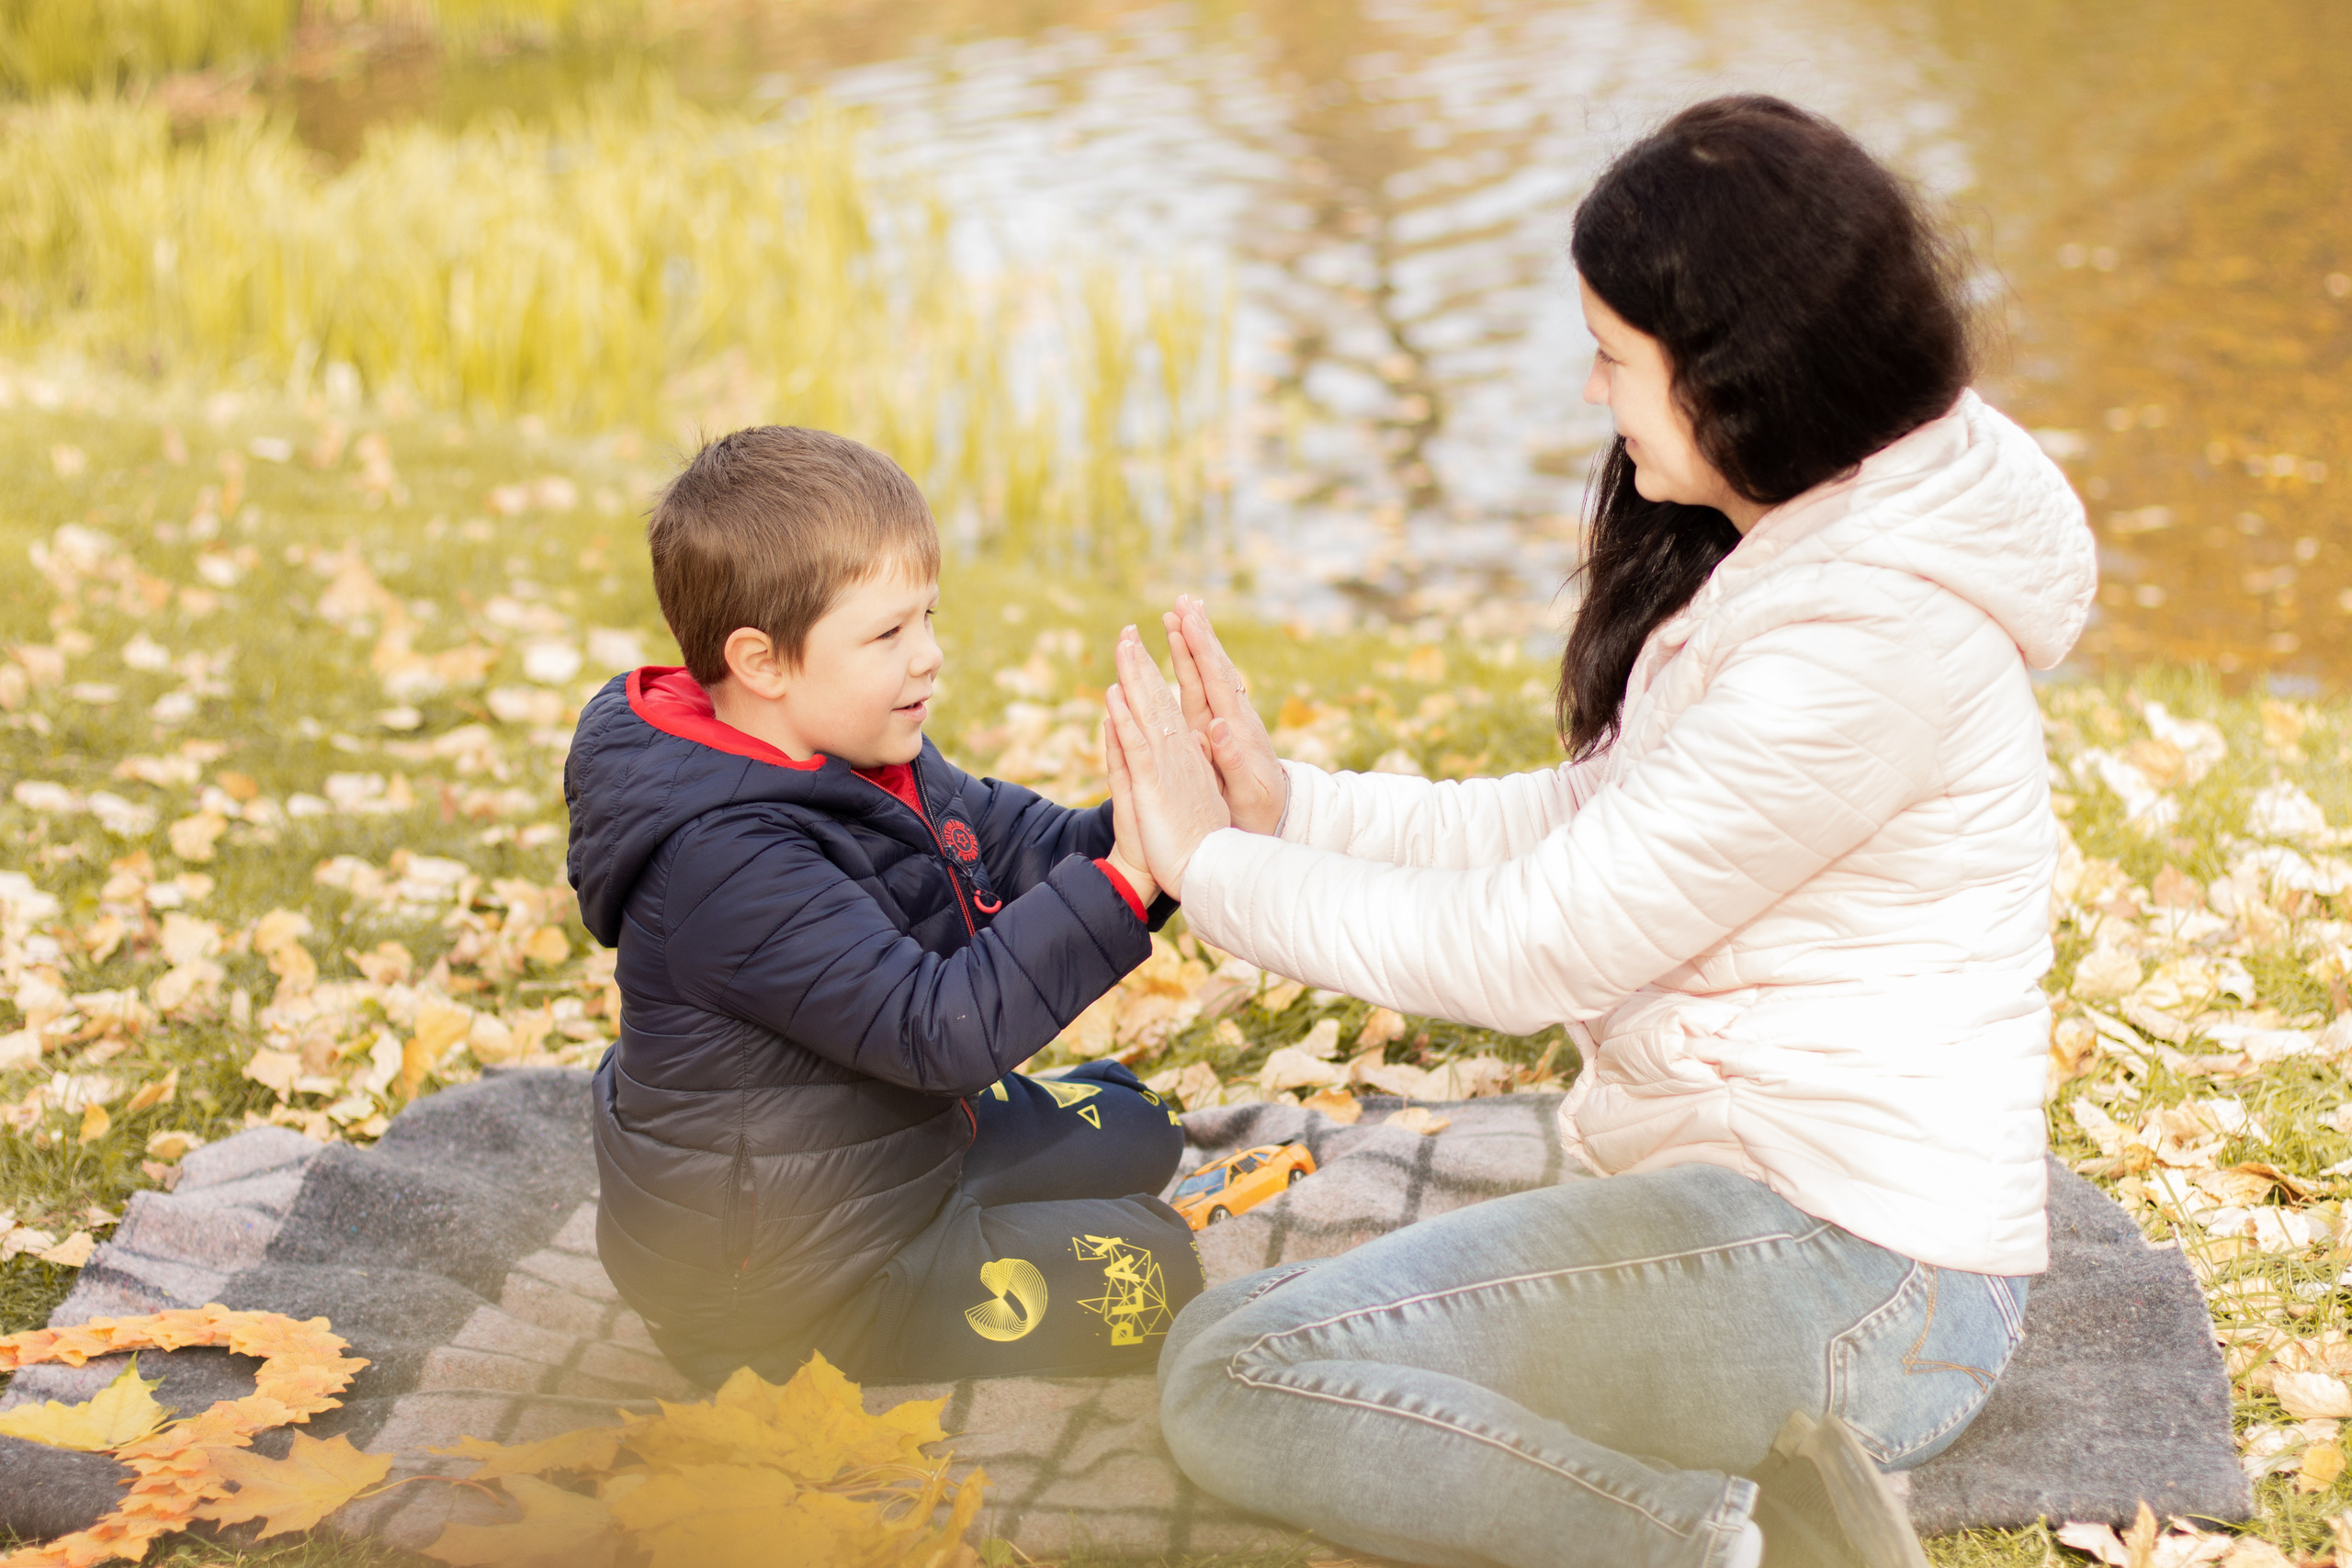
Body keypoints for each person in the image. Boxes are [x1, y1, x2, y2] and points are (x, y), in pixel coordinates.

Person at [1102, 96, 2096, 1568]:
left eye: (1615, 357)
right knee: (1238, 1334)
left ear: (1739, 375)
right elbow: (1585, 825)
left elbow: (1531, 940)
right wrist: (1290, 806)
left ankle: (1712, 1548)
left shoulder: (1864, 645)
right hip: (1780, 1215)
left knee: (1243, 1379)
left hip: (1863, 1281)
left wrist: (1207, 868)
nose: (1592, 395)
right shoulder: (1819, 548)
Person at [564, 425, 1204, 1389]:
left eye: (929, 618)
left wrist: (1169, 823)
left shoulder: (857, 743)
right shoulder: (723, 862)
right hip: (793, 1277)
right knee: (1158, 1271)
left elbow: (1022, 847)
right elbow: (936, 1028)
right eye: (889, 633)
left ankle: (977, 1203)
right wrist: (1127, 881)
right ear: (762, 661)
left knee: (1143, 1124)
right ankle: (891, 1300)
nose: (930, 657)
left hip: (883, 1139)